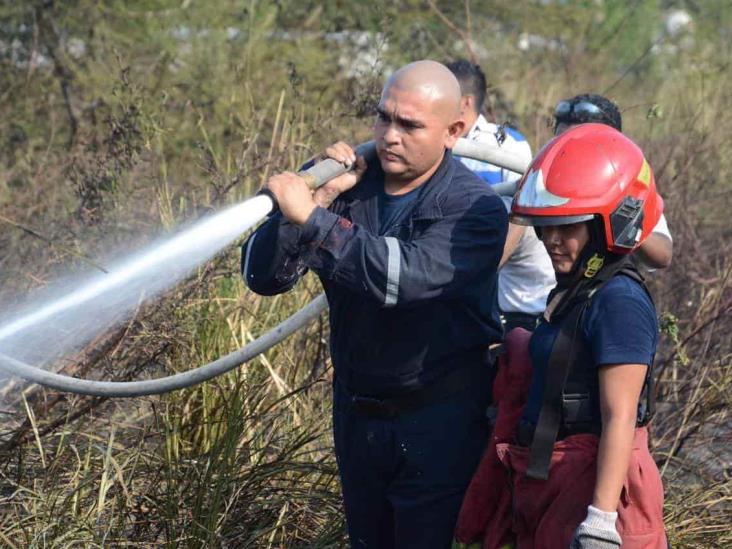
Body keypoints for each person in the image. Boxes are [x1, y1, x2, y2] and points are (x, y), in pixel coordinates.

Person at [242, 60, 508, 548]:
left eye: (409, 125)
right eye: (383, 118)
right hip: (358, 417)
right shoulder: (348, 190)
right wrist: (313, 200)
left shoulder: (475, 210)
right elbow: (262, 277)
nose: (389, 136)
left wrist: (314, 221)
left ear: (454, 131)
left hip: (439, 423)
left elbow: (400, 281)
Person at [454, 124, 668, 548]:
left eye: (567, 227)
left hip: (593, 490)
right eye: (545, 227)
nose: (551, 240)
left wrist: (601, 523)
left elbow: (619, 416)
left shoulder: (618, 301)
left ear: (611, 224)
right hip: (551, 482)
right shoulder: (576, 291)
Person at [447, 59, 555, 332]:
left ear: (465, 102)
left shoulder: (507, 145)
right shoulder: (430, 141)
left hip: (508, 294)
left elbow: (520, 215)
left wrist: (474, 274)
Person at [553, 93, 673, 270]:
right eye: (559, 142)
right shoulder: (536, 185)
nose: (566, 152)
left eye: (578, 145)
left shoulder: (624, 189)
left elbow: (663, 255)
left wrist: (624, 223)